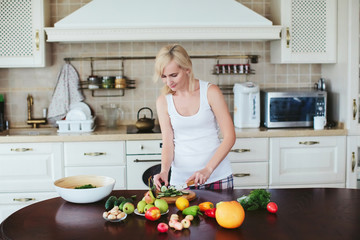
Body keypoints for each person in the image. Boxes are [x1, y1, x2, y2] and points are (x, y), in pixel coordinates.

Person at [152, 44, 236, 191]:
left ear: (187, 69)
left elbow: (230, 136)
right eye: (164, 76)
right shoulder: (163, 101)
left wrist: (208, 169)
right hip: (182, 181)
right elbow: (168, 142)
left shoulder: (210, 92)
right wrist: (164, 171)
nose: (168, 82)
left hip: (217, 176)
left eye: (173, 75)